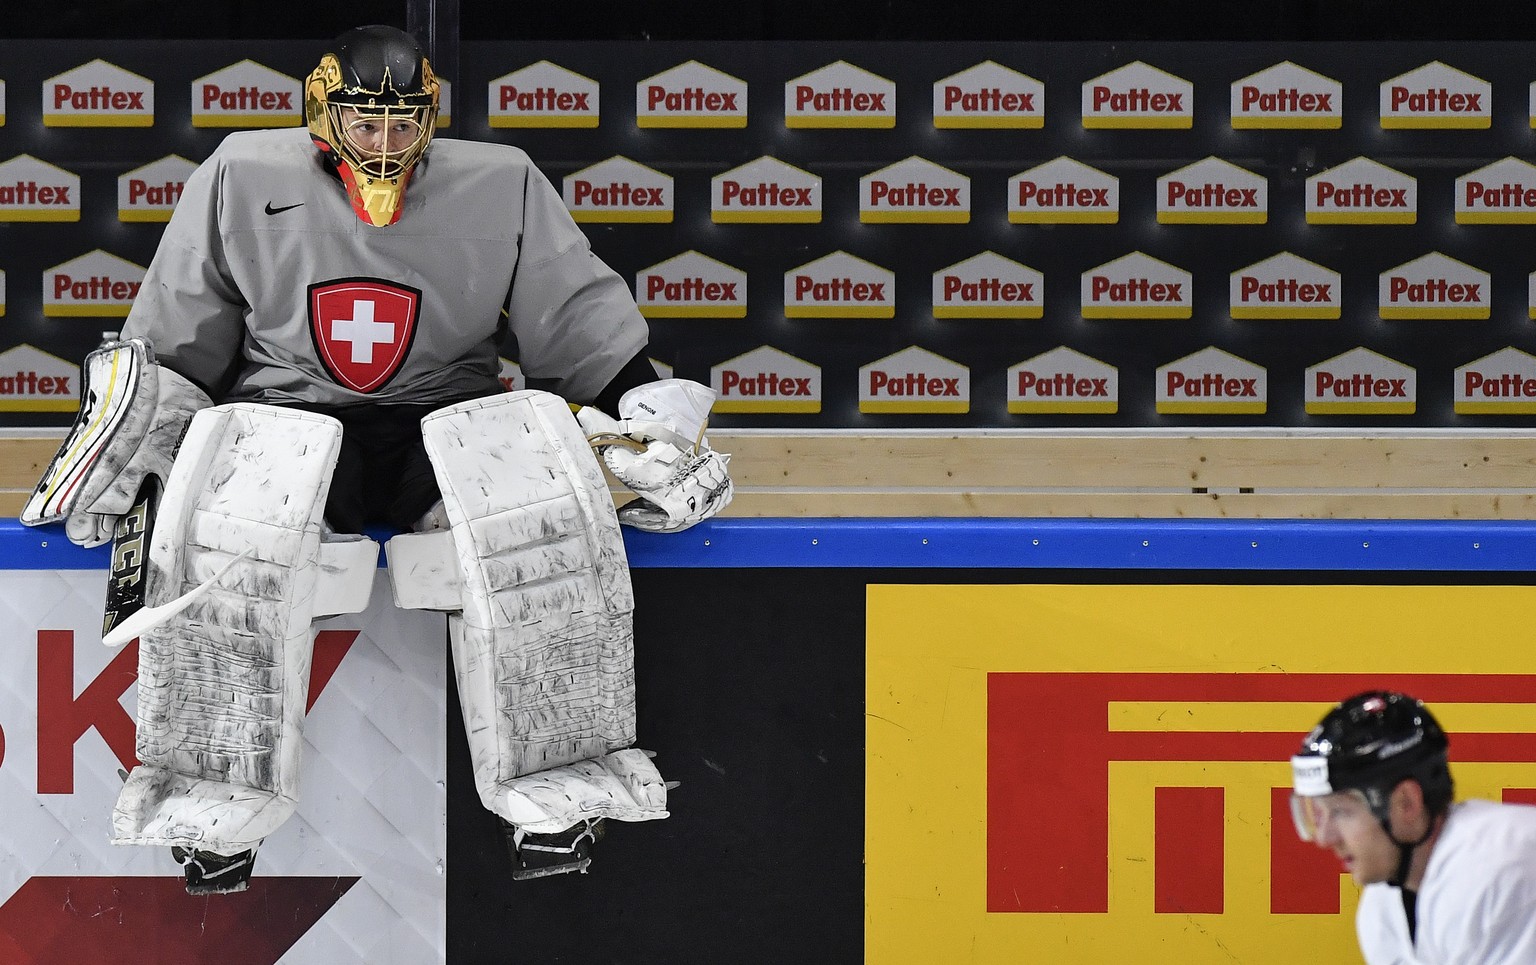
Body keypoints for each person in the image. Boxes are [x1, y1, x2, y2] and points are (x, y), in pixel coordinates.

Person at [21, 25, 732, 893]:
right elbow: (174, 341)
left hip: (450, 413)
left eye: (404, 125)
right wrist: (135, 461)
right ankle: (210, 803)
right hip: (289, 410)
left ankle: (561, 789)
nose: (386, 143)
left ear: (429, 118)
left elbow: (577, 321)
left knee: (540, 530)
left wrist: (642, 419)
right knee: (230, 542)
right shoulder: (241, 175)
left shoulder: (499, 183)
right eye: (366, 124)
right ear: (326, 112)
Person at [1289, 690, 1536, 964]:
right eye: (1318, 814)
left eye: (1341, 812)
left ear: (1406, 803)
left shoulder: (1499, 870)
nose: (1325, 838)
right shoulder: (1381, 908)